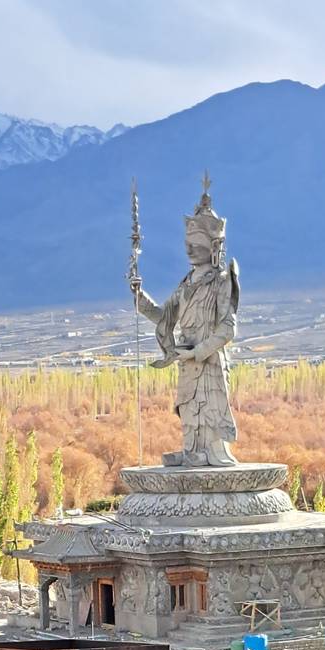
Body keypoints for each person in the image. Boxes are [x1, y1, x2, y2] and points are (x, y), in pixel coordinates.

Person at [132, 175, 239, 467]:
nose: (189, 250)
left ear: (212, 246)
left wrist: (199, 350)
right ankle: (193, 452)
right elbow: (166, 318)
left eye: (196, 244)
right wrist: (140, 299)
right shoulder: (186, 282)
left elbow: (228, 327)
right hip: (187, 359)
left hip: (207, 359)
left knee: (210, 407)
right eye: (187, 243)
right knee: (189, 409)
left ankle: (213, 453)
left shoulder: (220, 281)